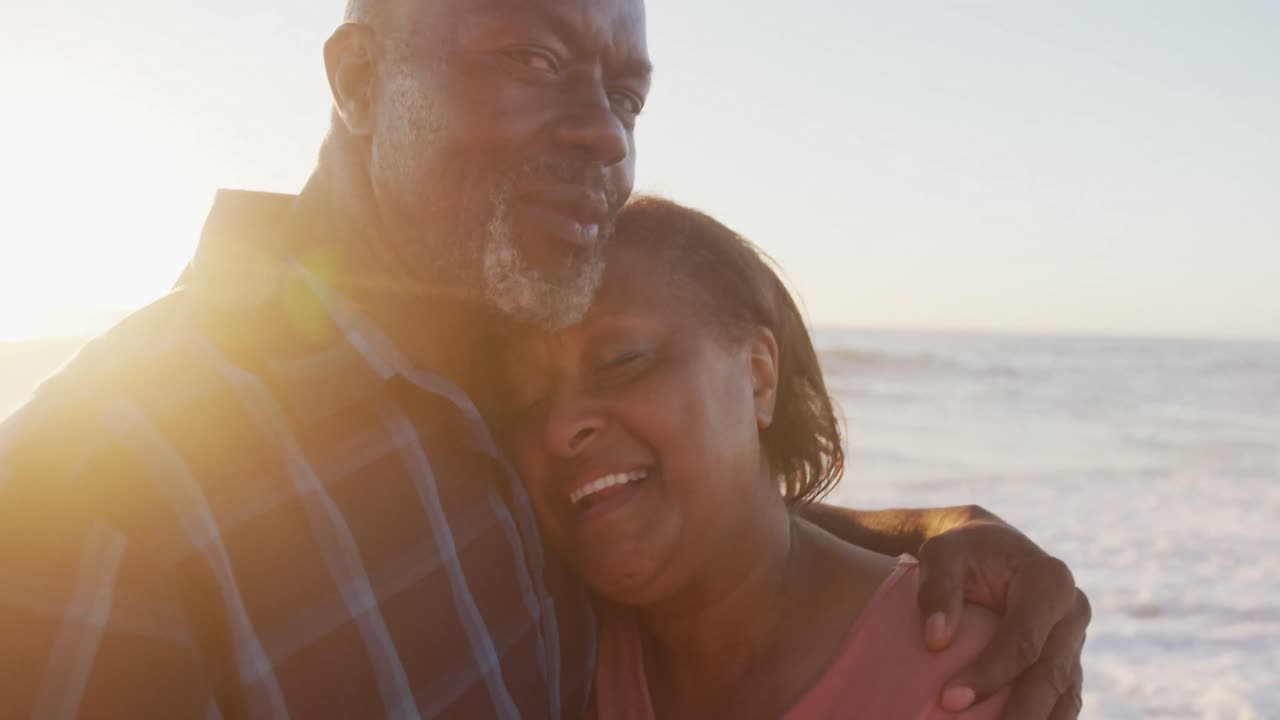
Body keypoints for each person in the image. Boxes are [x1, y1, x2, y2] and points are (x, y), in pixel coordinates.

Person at [0, 0, 1088, 717]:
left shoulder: (485, 386)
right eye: (533, 56)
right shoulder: (103, 482)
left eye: (625, 95)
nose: (604, 135)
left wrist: (928, 536)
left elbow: (686, 517)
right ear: (360, 77)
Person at [504, 196, 1011, 719]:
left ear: (759, 375)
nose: (559, 426)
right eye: (522, 394)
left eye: (621, 359)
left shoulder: (967, 674)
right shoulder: (549, 652)